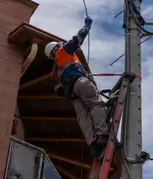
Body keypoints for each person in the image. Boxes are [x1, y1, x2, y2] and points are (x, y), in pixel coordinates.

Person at [44, 16, 109, 158]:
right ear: (56, 48)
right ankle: (102, 135)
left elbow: (59, 89)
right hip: (80, 83)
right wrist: (86, 27)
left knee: (83, 117)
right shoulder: (63, 52)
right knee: (96, 105)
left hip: (72, 94)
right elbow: (77, 39)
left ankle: (92, 144)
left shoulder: (56, 71)